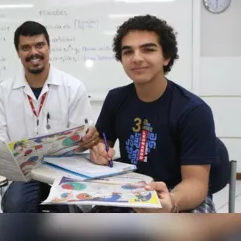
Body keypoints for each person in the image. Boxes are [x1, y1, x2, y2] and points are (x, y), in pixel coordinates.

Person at [0, 21, 100, 213]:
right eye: (26, 48)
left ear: (48, 47)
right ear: (18, 52)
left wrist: (86, 140)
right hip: (24, 172)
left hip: (63, 169)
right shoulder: (4, 90)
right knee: (15, 205)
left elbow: (80, 137)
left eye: (39, 45)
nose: (33, 52)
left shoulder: (73, 88)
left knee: (65, 210)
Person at [90, 15, 228, 213]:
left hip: (178, 195)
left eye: (148, 49)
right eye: (128, 51)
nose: (136, 58)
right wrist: (99, 151)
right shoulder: (115, 99)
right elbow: (103, 143)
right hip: (131, 189)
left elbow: (196, 184)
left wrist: (170, 202)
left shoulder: (194, 111)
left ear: (166, 57)